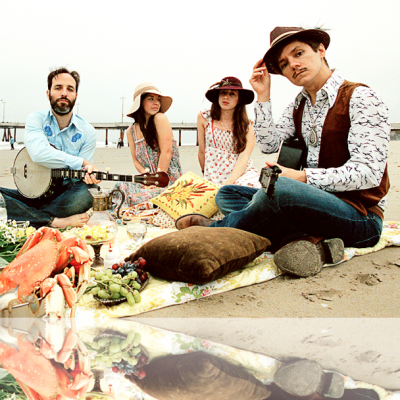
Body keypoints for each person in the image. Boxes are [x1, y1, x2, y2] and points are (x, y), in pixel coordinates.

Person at [176, 27, 390, 278]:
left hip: (360, 215)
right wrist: (263, 96)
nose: (293, 65)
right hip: (309, 206)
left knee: (281, 191)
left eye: (298, 53)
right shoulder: (299, 104)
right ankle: (307, 240)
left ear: (321, 50)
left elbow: (369, 173)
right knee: (228, 193)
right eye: (284, 64)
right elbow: (268, 144)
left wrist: (302, 178)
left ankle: (218, 228)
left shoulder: (361, 97)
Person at [0, 67, 100, 229]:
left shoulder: (87, 132)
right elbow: (38, 153)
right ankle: (54, 221)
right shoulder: (36, 119)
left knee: (88, 191)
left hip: (63, 197)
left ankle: (26, 215)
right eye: (58, 88)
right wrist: (81, 162)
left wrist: (87, 175)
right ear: (48, 93)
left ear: (76, 95)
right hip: (31, 193)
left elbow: (78, 180)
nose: (64, 93)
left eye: (70, 89)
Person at [112, 82, 182, 208]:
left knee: (137, 198)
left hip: (168, 180)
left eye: (158, 99)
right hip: (148, 181)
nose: (156, 103)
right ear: (140, 103)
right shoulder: (131, 131)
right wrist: (147, 176)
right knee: (120, 186)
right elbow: (135, 160)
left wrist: (158, 179)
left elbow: (167, 152)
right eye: (151, 99)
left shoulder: (160, 118)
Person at [198, 76, 260, 187]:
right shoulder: (205, 118)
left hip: (241, 173)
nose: (226, 97)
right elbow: (202, 151)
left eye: (232, 94)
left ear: (239, 99)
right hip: (214, 174)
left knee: (251, 188)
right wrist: (205, 173)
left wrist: (231, 181)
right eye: (223, 93)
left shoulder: (248, 126)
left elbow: (244, 156)